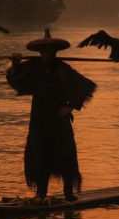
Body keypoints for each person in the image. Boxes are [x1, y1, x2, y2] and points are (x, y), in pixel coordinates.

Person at [6, 29, 96, 201]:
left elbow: (85, 87)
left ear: (55, 52)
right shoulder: (32, 67)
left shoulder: (62, 69)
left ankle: (68, 192)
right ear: (40, 52)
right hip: (39, 120)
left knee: (66, 155)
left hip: (59, 121)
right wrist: (15, 65)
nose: (47, 54)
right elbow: (15, 80)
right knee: (40, 156)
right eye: (44, 51)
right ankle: (41, 193)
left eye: (50, 51)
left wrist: (69, 107)